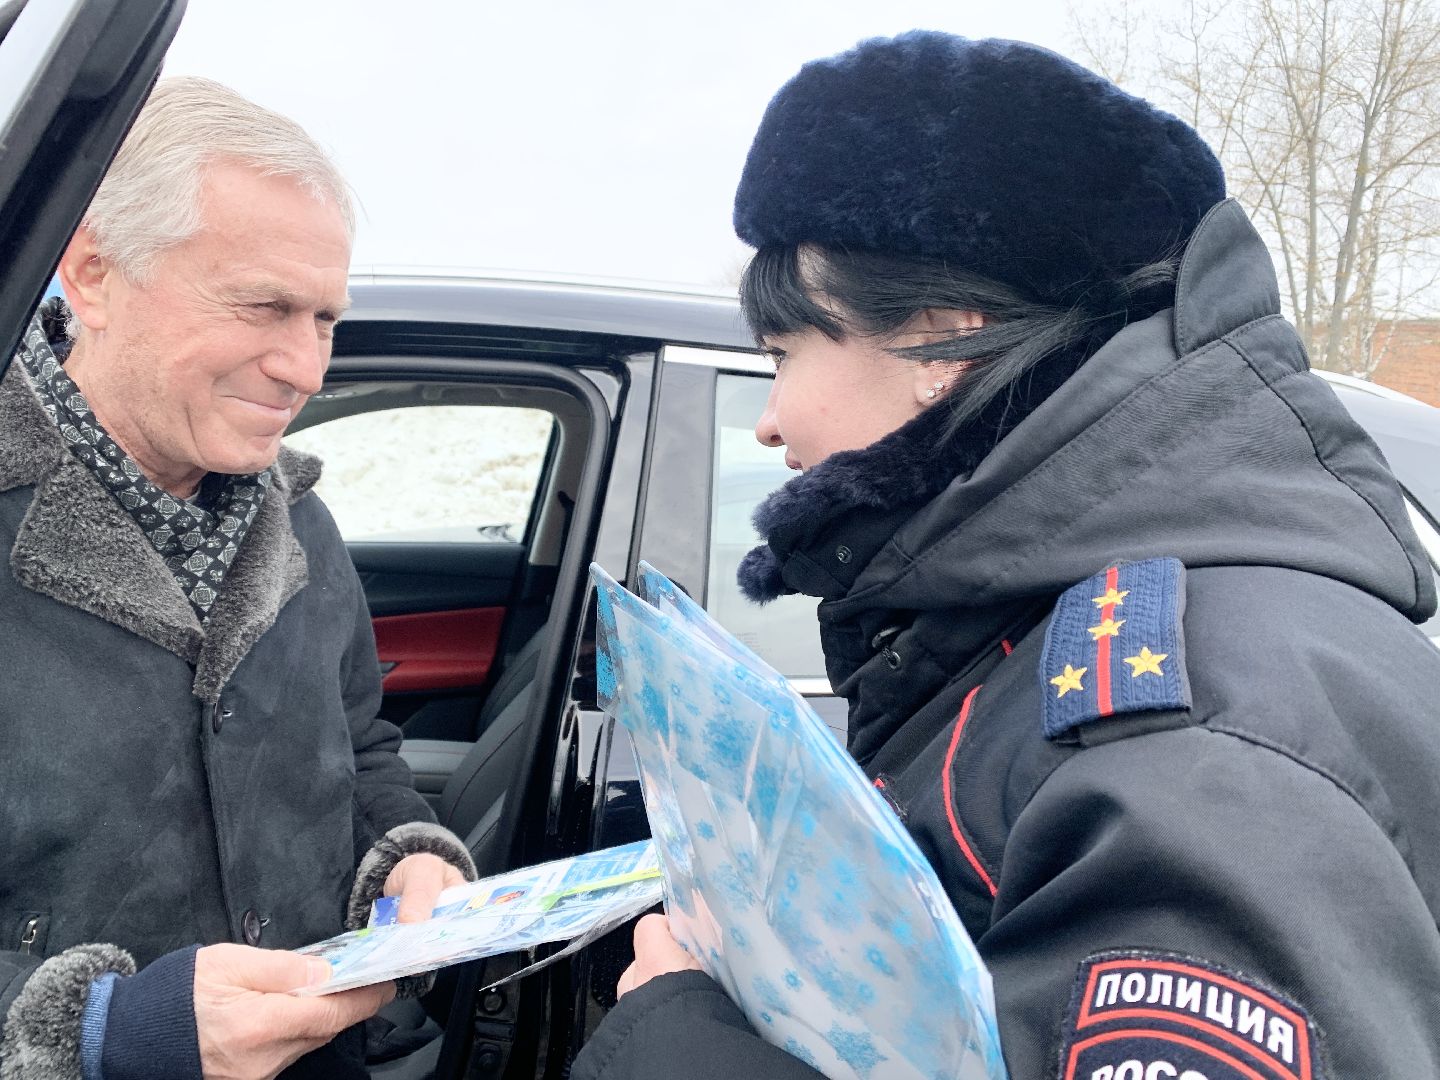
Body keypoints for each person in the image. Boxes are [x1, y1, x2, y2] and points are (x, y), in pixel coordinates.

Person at [571, 32, 1440, 1080]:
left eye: (784, 355)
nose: (770, 420)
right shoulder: (1042, 622)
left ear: (940, 342)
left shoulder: (1189, 740)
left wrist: (675, 1038)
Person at [0, 78, 477, 1080]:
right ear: (92, 274)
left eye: (325, 320)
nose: (306, 368)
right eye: (264, 306)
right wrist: (100, 1031)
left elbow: (361, 746)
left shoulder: (301, 524)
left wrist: (409, 856)